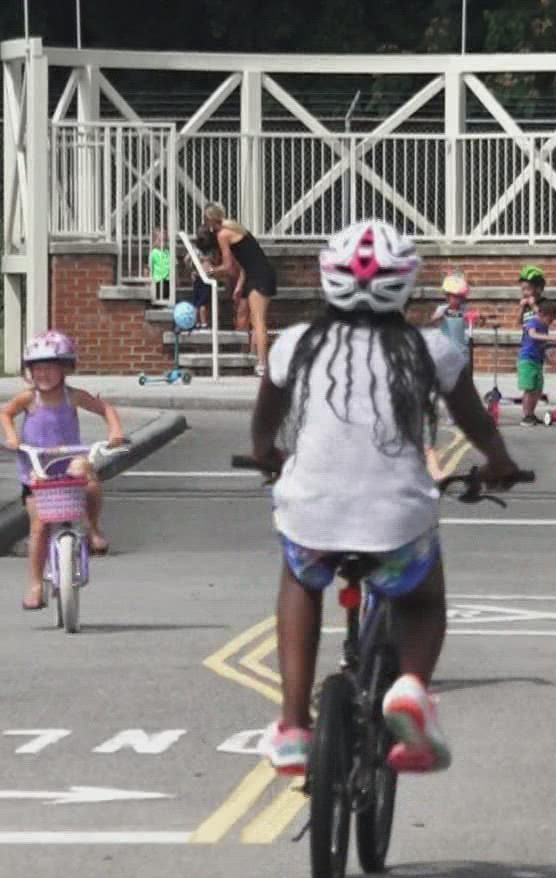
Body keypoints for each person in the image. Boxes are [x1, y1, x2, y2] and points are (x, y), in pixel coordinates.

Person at [248, 220, 523, 776]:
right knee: (423, 599)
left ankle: (295, 726)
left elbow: (264, 425)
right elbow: (477, 425)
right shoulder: (431, 350)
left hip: (312, 512)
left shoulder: (297, 344)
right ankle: (411, 691)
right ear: (408, 283)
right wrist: (500, 465)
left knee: (300, 579)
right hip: (396, 518)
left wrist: (266, 456)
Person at [0, 330, 126, 611]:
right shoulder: (28, 399)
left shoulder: (73, 397)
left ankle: (92, 528)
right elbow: (5, 412)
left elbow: (105, 409)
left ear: (66, 368)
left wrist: (115, 432)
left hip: (69, 463)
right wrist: (12, 438)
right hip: (36, 470)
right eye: (37, 368)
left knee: (90, 481)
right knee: (39, 526)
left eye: (50, 367)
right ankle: (34, 584)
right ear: (29, 371)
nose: (43, 374)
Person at [205, 204, 279, 376]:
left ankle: (263, 364)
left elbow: (229, 267)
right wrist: (239, 286)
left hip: (260, 276)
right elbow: (247, 261)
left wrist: (210, 271)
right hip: (255, 273)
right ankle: (254, 356)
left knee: (258, 320)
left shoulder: (223, 234)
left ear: (209, 220)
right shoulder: (235, 227)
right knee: (246, 315)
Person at [517, 300, 556, 426]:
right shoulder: (533, 322)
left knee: (537, 389)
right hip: (527, 360)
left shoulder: (544, 327)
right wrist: (551, 337)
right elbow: (533, 335)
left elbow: (542, 345)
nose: (550, 323)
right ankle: (526, 415)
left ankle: (531, 413)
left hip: (538, 361)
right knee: (529, 388)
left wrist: (549, 360)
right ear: (542, 315)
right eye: (550, 320)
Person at [148, 227, 173, 306]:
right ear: (155, 241)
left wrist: (177, 278)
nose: (163, 243)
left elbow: (173, 265)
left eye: (165, 240)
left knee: (168, 296)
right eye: (160, 240)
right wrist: (149, 280)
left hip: (168, 279)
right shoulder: (154, 253)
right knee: (158, 298)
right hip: (158, 280)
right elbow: (149, 267)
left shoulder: (168, 252)